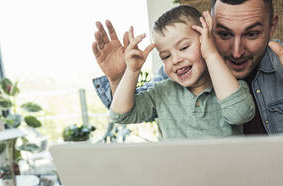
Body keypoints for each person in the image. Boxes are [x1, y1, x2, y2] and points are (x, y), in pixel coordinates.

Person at [92, 0, 283, 143]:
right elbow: (125, 114)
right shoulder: (175, 75)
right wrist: (119, 78)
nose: (237, 51)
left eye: (252, 33)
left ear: (272, 27)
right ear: (208, 28)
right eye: (224, 34)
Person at [109, 6, 255, 139]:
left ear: (206, 41)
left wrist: (211, 53)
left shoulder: (230, 86)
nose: (175, 60)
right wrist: (132, 70)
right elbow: (120, 116)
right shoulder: (161, 92)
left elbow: (239, 114)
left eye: (184, 47)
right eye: (166, 56)